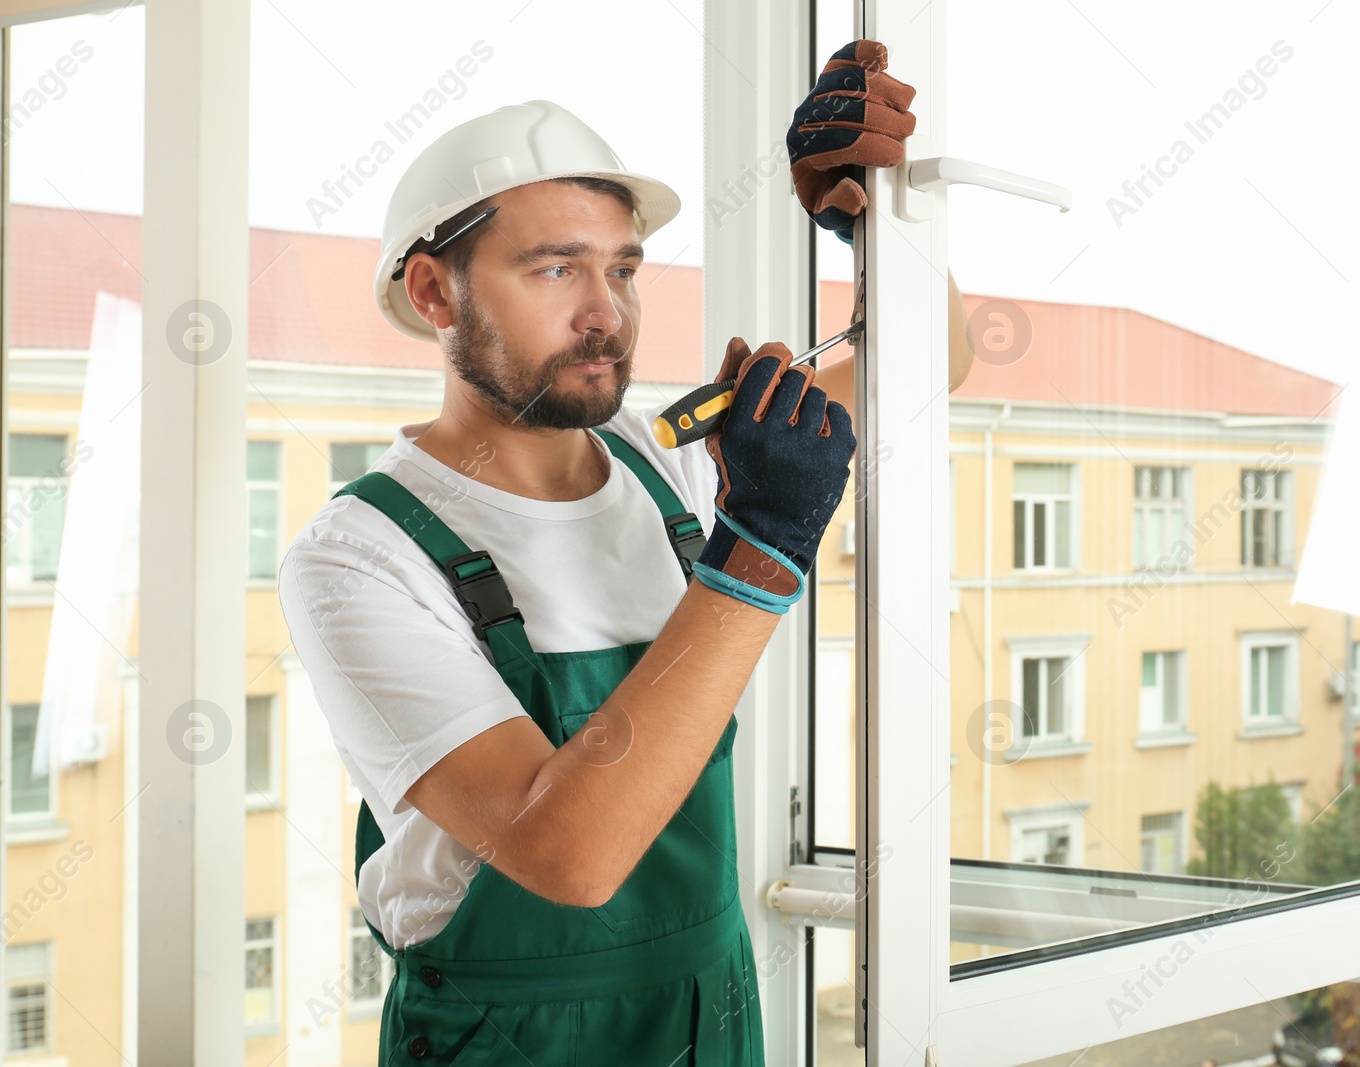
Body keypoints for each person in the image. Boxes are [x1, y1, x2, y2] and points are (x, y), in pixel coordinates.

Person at [278, 39, 971, 1065]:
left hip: (713, 998)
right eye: (555, 267)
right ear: (433, 292)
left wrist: (868, 224)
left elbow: (925, 361)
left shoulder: (668, 465)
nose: (607, 314)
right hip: (512, 1034)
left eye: (623, 268)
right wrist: (761, 545)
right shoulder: (359, 555)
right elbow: (571, 854)